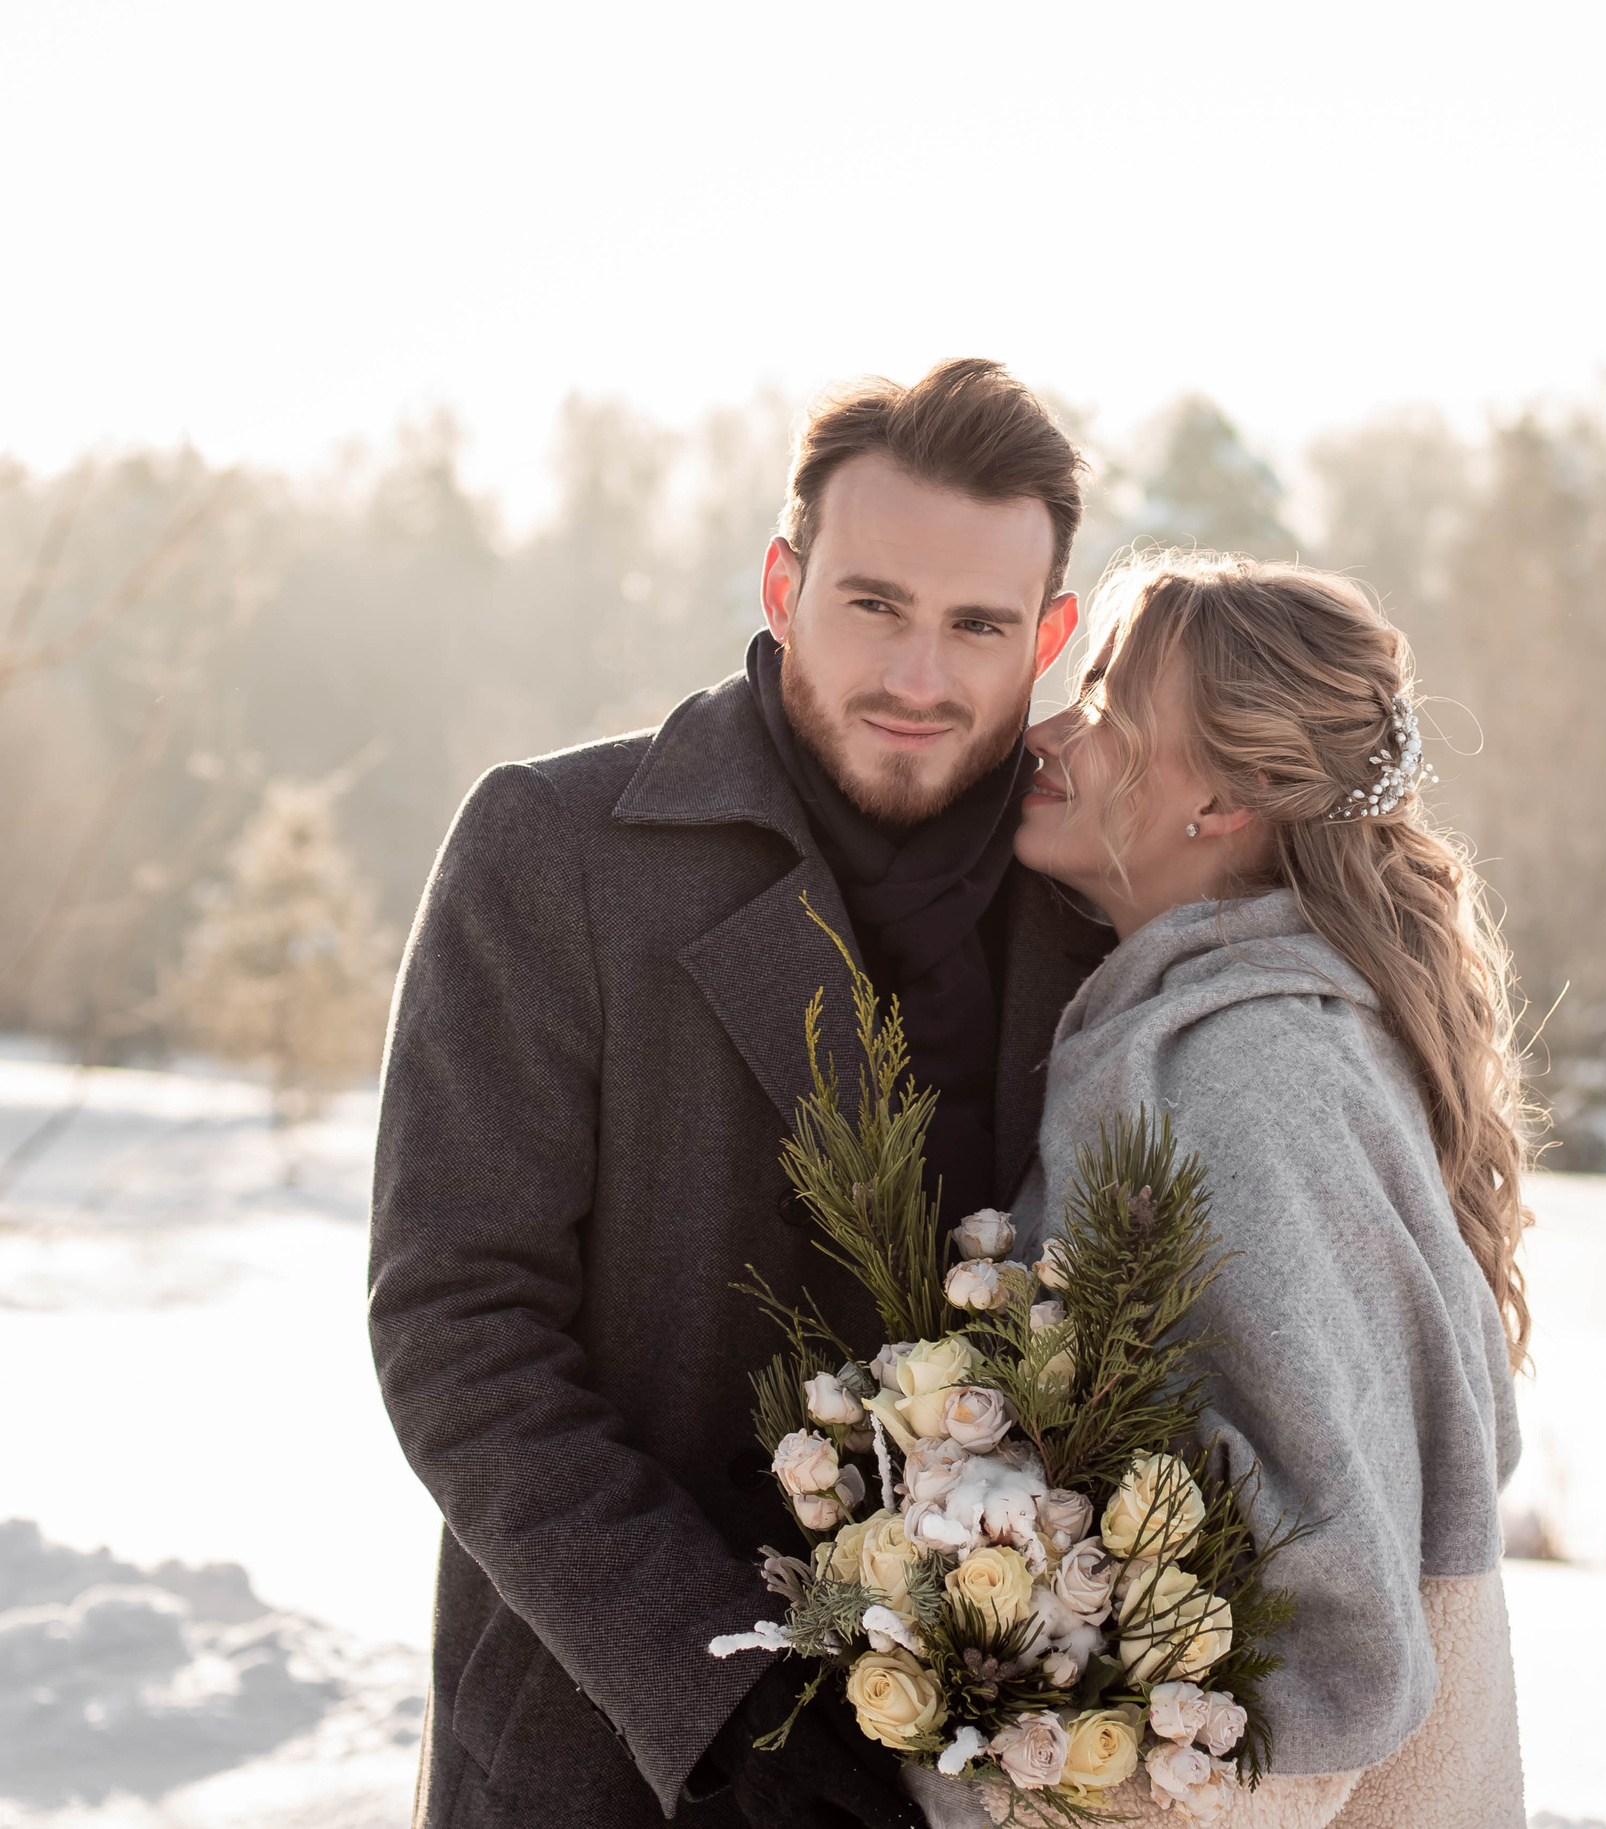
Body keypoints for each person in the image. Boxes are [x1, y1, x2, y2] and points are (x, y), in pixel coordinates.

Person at [368, 360, 1115, 1829]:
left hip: (985, 1777)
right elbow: (456, 1323)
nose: (921, 676)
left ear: (1053, 637)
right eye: (874, 604)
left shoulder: (1094, 909)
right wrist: (727, 1688)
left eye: (978, 625)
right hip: (617, 1747)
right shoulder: (559, 849)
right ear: (784, 584)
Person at [989, 551, 1533, 1827]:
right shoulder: (1224, 1027)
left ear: (1222, 799)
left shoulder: (1251, 1070)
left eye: (1109, 706)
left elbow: (1326, 1623)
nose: (1052, 731)